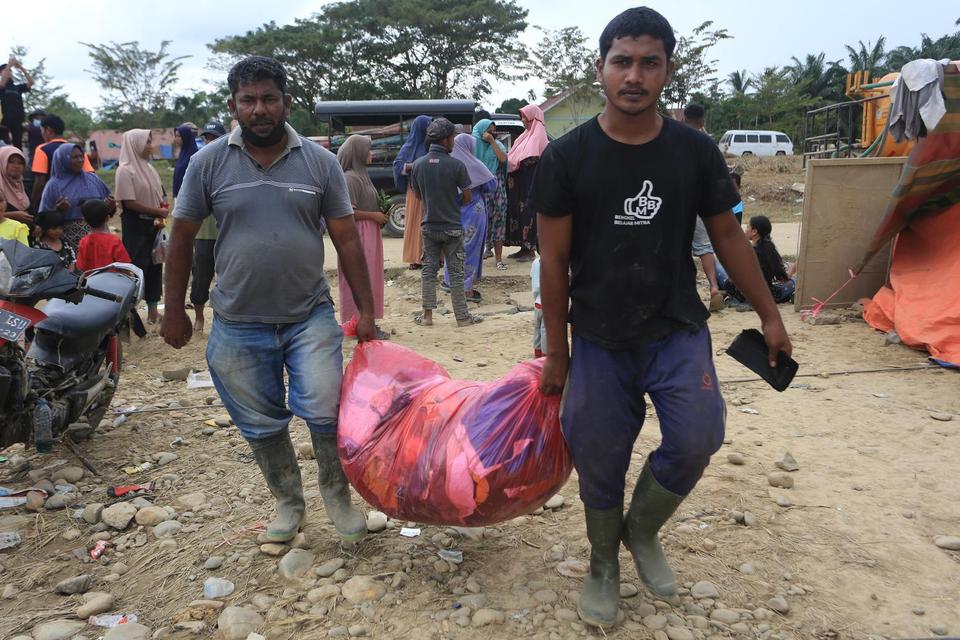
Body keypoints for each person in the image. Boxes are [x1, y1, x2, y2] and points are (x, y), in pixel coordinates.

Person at [531, 8, 792, 628]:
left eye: (650, 62)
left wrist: (770, 316)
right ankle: (603, 563)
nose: (634, 75)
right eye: (622, 61)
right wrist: (558, 352)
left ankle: (641, 530)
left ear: (667, 71)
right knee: (598, 452)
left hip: (675, 326)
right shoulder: (567, 157)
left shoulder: (695, 151)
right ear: (601, 68)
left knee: (699, 435)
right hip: (596, 333)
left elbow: (728, 236)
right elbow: (554, 260)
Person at [160, 56, 374, 545]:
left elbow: (346, 240)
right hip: (237, 321)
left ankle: (336, 495)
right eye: (248, 99)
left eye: (269, 98)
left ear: (287, 103)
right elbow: (182, 237)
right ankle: (288, 502)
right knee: (259, 422)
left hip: (309, 316)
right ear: (233, 105)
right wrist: (174, 310)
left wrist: (365, 313)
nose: (259, 109)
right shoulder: (207, 162)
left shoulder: (320, 163)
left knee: (325, 409)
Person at [411, 118, 482, 328]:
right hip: (452, 227)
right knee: (457, 272)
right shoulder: (457, 165)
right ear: (446, 140)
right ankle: (462, 317)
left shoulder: (418, 165)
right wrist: (453, 202)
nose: (454, 142)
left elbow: (418, 195)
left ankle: (427, 317)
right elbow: (467, 196)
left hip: (429, 227)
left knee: (428, 271)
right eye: (452, 138)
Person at [335, 134, 388, 336]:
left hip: (369, 233)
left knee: (371, 277)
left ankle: (367, 321)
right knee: (359, 277)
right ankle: (357, 322)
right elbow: (347, 212)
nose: (371, 154)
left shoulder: (361, 176)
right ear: (357, 153)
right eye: (368, 150)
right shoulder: (350, 178)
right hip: (358, 234)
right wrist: (373, 216)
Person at [115, 129, 167, 323]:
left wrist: (162, 209)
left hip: (153, 225)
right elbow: (129, 203)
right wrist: (157, 212)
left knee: (155, 266)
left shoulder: (149, 168)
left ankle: (153, 311)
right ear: (135, 144)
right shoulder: (124, 170)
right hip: (136, 226)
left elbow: (160, 194)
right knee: (137, 267)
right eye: (147, 141)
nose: (150, 145)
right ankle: (130, 314)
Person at [682, 103, 725, 312]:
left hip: (674, 203)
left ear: (683, 116)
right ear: (702, 120)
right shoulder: (707, 143)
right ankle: (714, 287)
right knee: (704, 247)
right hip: (699, 202)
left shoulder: (673, 138)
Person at [445, 133, 495, 302]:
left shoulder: (449, 165)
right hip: (474, 213)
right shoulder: (474, 164)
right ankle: (466, 290)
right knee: (470, 249)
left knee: (453, 247)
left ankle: (449, 282)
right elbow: (491, 185)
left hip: (453, 213)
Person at [38, 143, 114, 253]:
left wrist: (109, 206)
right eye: (74, 157)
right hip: (70, 241)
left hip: (100, 237)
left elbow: (109, 209)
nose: (80, 160)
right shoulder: (53, 185)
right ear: (62, 158)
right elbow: (43, 218)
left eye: (81, 156)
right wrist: (58, 210)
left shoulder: (93, 179)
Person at [188, 123, 224, 334]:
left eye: (214, 137)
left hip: (227, 232)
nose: (209, 142)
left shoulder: (231, 165)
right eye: (206, 138)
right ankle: (200, 316)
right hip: (203, 232)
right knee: (201, 275)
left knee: (229, 277)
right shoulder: (198, 165)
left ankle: (224, 317)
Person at [717, 215, 797, 304]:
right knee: (794, 280)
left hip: (743, 295)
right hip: (766, 295)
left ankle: (720, 292)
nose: (745, 230)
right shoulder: (770, 251)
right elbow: (782, 278)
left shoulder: (745, 251)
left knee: (716, 265)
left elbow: (732, 279)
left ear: (754, 231)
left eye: (747, 227)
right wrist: (793, 268)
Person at [505, 104, 549, 261]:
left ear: (532, 117)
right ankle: (522, 248)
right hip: (519, 184)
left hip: (530, 184)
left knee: (529, 214)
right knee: (518, 213)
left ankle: (529, 249)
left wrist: (514, 162)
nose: (522, 119)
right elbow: (513, 157)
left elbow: (531, 159)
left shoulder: (538, 135)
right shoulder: (524, 136)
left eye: (524, 116)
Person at [31, 114, 95, 208]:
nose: (42, 134)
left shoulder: (42, 149)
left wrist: (33, 204)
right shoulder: (76, 149)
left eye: (42, 131)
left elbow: (40, 181)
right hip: (78, 201)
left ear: (48, 130)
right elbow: (90, 175)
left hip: (53, 204)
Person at [393, 115, 431, 269]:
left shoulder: (432, 144)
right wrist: (414, 165)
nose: (429, 129)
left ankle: (433, 257)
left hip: (432, 189)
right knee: (415, 223)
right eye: (427, 125)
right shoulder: (408, 147)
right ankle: (415, 258)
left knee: (432, 223)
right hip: (415, 190)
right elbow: (398, 166)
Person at [472, 118, 509, 270]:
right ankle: (479, 257)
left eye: (493, 131)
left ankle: (499, 260)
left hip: (498, 189)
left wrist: (493, 142)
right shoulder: (473, 145)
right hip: (481, 189)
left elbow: (503, 159)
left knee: (499, 222)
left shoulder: (498, 144)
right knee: (481, 222)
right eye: (488, 131)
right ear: (481, 130)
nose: (491, 134)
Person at [76, 199, 130, 272]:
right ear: (107, 218)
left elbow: (81, 266)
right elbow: (124, 266)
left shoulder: (83, 242)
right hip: (112, 280)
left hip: (91, 281)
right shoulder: (114, 241)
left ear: (84, 220)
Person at [0, 57, 34, 150]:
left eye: (11, 71)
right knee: (4, 145)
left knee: (18, 146)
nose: (9, 73)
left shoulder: (17, 88)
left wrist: (20, 67)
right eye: (6, 71)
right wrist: (9, 64)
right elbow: (2, 83)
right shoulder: (2, 87)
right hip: (4, 121)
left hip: (18, 120)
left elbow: (31, 82)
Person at [0, 146, 33, 225]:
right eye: (11, 162)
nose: (16, 166)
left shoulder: (23, 186)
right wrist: (13, 215)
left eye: (20, 163)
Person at [531, 250, 547, 358]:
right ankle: (544, 353)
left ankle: (537, 350)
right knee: (545, 330)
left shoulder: (536, 262)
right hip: (547, 302)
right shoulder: (551, 263)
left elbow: (532, 277)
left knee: (537, 328)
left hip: (537, 301)